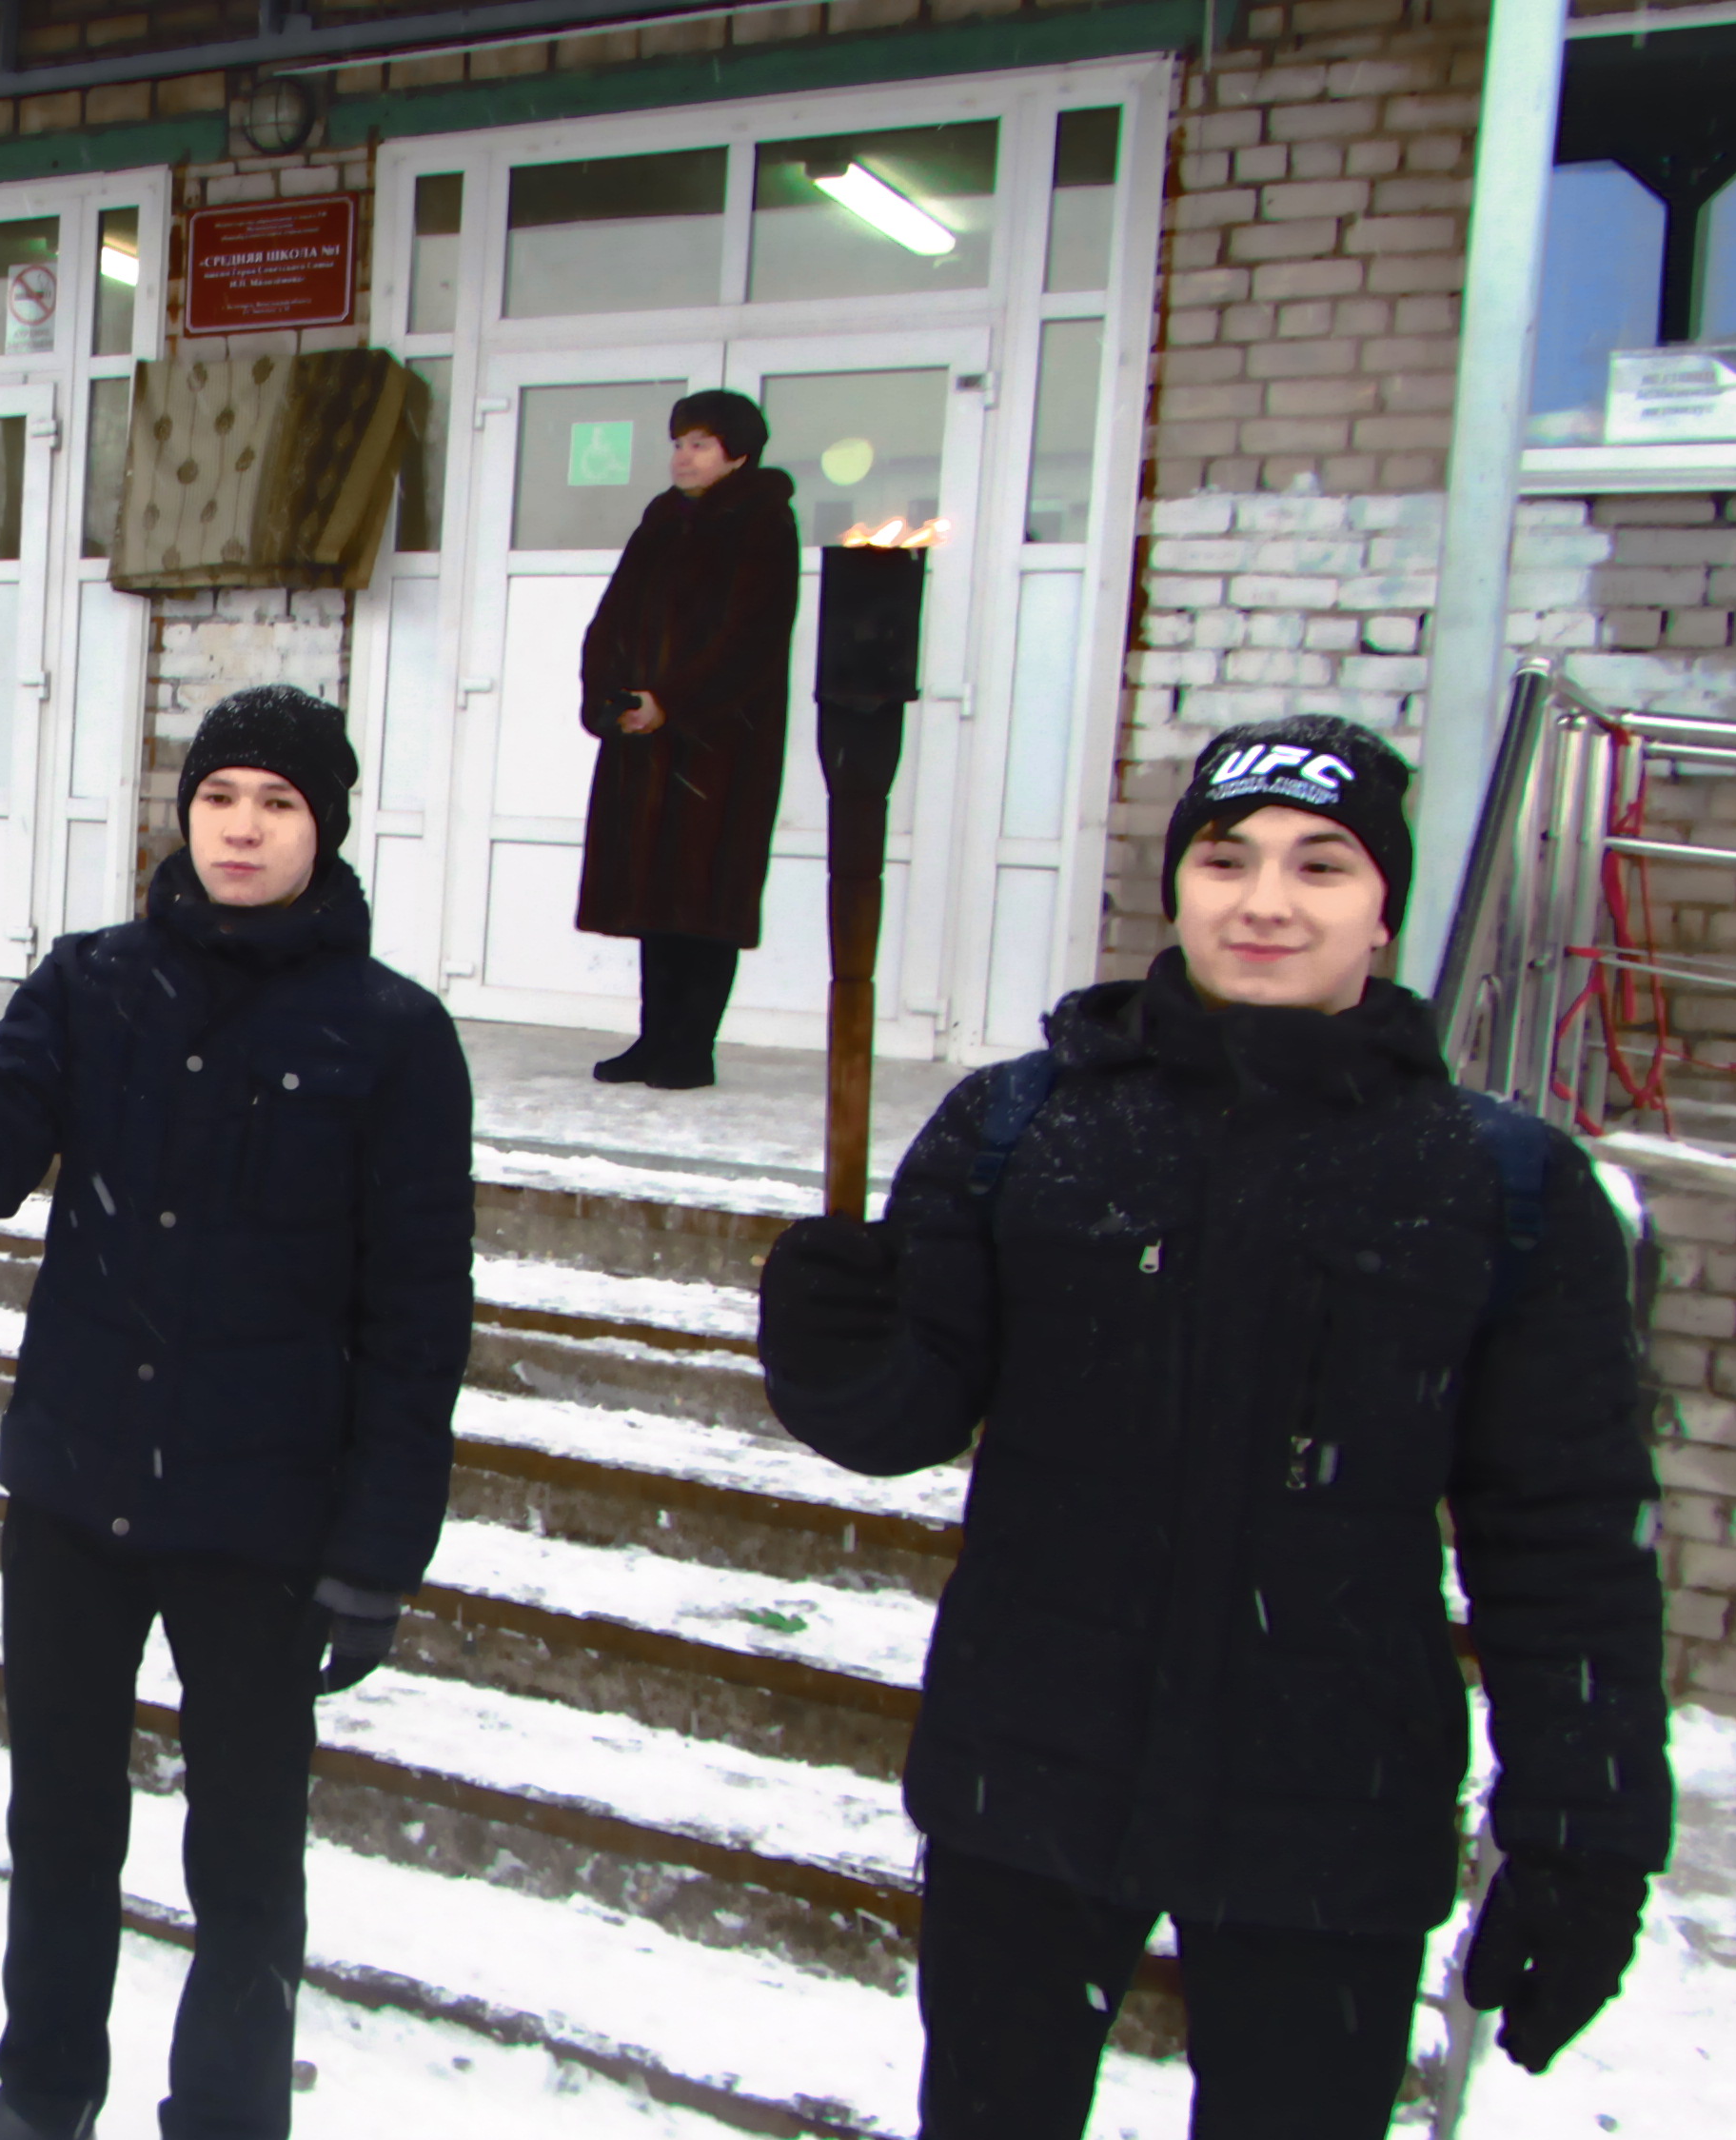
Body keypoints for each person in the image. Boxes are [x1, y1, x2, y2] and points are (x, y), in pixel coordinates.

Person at [755, 716, 1674, 2139]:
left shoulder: (1500, 1187)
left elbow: (1565, 1536)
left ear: (1384, 910)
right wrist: (825, 1346)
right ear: (1175, 888)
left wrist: (1585, 1827)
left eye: (1322, 865)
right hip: (1035, 1771)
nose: (1265, 900)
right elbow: (905, 1418)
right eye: (1226, 857)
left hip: (1332, 1797)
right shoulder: (1025, 1128)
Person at [0, 688, 475, 2140]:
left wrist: (380, 1549)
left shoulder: (392, 1036)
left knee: (245, 1859)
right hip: (77, 1486)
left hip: (260, 1514)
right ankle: (47, 2087)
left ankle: (227, 2117)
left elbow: (417, 1316)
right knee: (59, 1820)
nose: (242, 828)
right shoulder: (93, 982)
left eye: (277, 803)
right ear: (182, 816)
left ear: (324, 826)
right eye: (219, 799)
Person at [574, 388, 798, 1091]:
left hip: (717, 745)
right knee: (654, 894)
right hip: (645, 742)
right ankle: (654, 1039)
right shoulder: (660, 525)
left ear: (738, 453)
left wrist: (673, 703)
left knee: (705, 896)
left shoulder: (763, 523)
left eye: (700, 443)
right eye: (678, 442)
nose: (683, 456)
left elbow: (753, 638)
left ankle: (691, 1048)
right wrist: (609, 699)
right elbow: (609, 619)